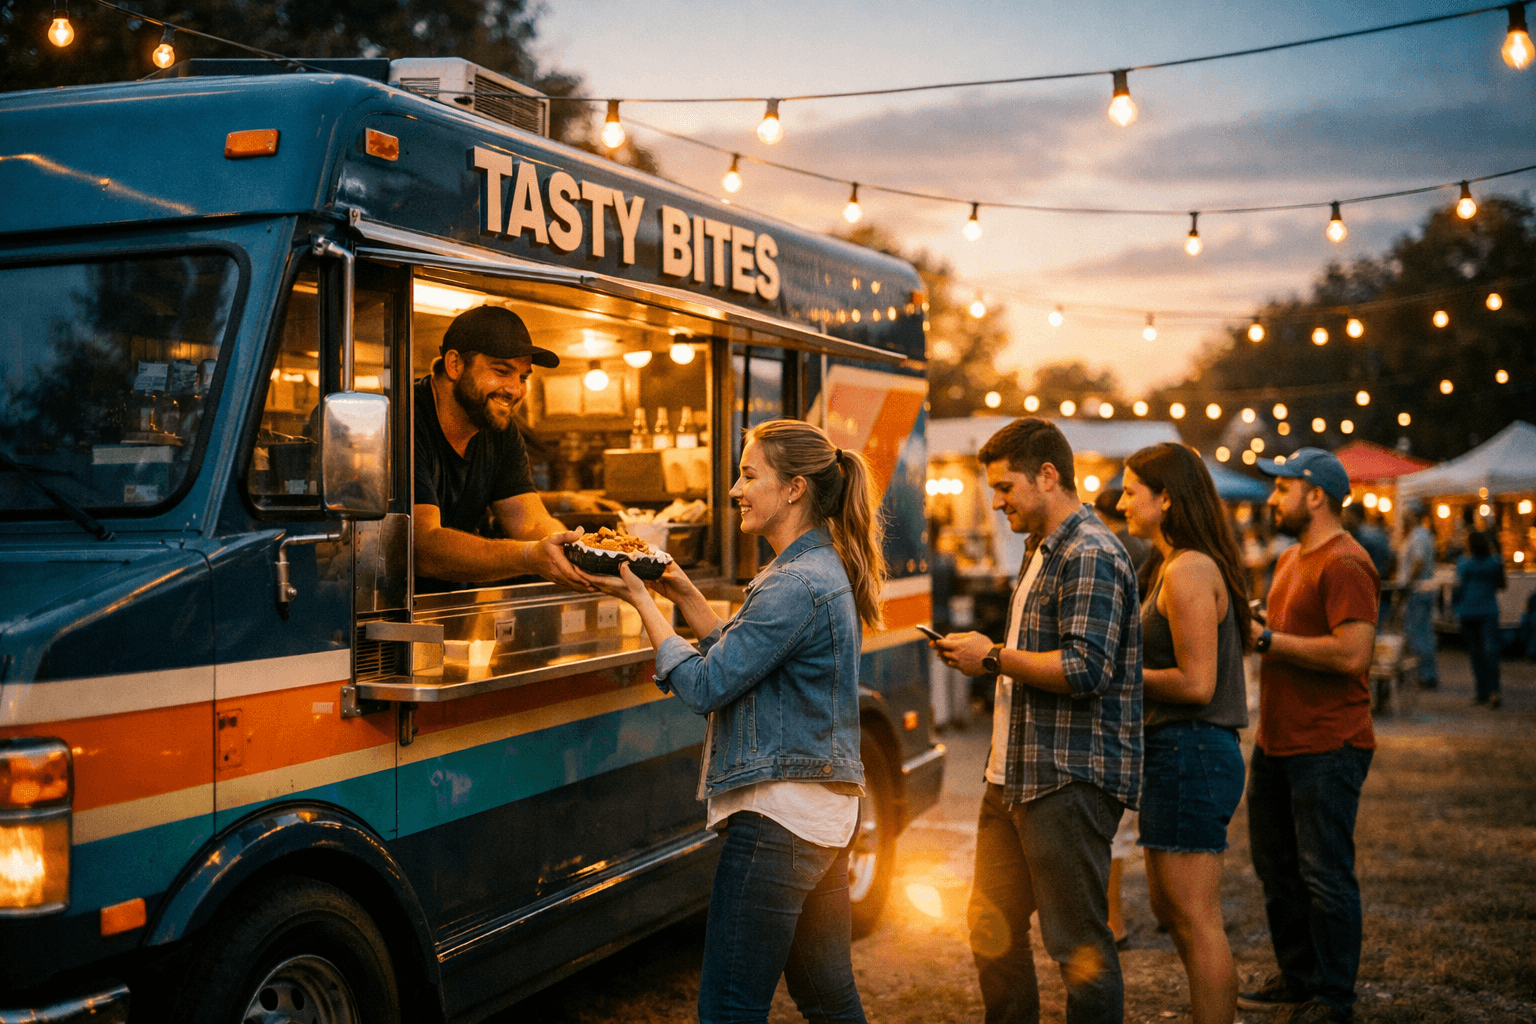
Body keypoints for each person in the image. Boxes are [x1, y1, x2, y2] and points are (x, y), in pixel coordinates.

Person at [589, 419, 885, 1024]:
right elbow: (747, 660)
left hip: (778, 820)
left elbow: (706, 685)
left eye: (749, 475)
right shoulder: (815, 570)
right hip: (819, 816)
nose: (734, 490)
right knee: (829, 1000)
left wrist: (642, 602)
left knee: (729, 1008)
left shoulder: (794, 583)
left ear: (796, 488)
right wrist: (678, 588)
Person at [932, 417, 1142, 1024]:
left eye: (1004, 488)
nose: (995, 503)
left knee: (1077, 946)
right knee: (987, 924)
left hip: (1068, 780)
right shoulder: (1041, 549)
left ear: (1047, 476)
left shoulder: (1092, 553)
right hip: (1013, 776)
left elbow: (1086, 670)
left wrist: (993, 655)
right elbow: (1041, 658)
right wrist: (984, 659)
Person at [1240, 448, 1379, 1024]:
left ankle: (1333, 997)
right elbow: (1293, 632)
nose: (1272, 498)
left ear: (1314, 494)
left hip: (1328, 742)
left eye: (1281, 488)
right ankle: (1298, 977)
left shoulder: (1346, 563)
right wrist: (1261, 624)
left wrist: (1269, 641)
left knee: (1324, 873)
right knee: (1277, 867)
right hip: (1278, 739)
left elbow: (1352, 653)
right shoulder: (1292, 557)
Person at [1118, 443, 1250, 1024]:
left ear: (1165, 497)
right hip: (1175, 750)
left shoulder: (1192, 568)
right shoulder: (1169, 565)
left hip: (1191, 748)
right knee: (1172, 911)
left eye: (1130, 491)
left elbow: (1197, 684)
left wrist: (1118, 676)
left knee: (1196, 918)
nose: (1121, 502)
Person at [413, 305, 593, 592]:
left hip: (450, 606)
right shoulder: (406, 419)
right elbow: (421, 546)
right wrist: (528, 556)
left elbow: (531, 524)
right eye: (501, 371)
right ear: (455, 365)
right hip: (380, 612)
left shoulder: (499, 430)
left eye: (522, 377)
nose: (514, 389)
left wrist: (585, 555)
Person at [1454, 530, 1506, 707]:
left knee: (1475, 653)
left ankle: (1481, 691)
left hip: (1468, 611)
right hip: (1488, 611)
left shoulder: (1463, 563)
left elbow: (1458, 587)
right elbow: (1502, 584)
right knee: (1491, 652)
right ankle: (1494, 690)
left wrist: (1454, 605)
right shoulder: (1495, 563)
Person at [1396, 502, 1439, 688]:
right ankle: (1425, 673)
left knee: (1418, 633)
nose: (1403, 514)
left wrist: (1406, 586)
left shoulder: (1419, 535)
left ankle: (1427, 675)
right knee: (1419, 632)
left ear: (1414, 514)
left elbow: (1418, 562)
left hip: (1417, 590)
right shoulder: (1418, 534)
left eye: (1407, 511)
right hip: (1419, 589)